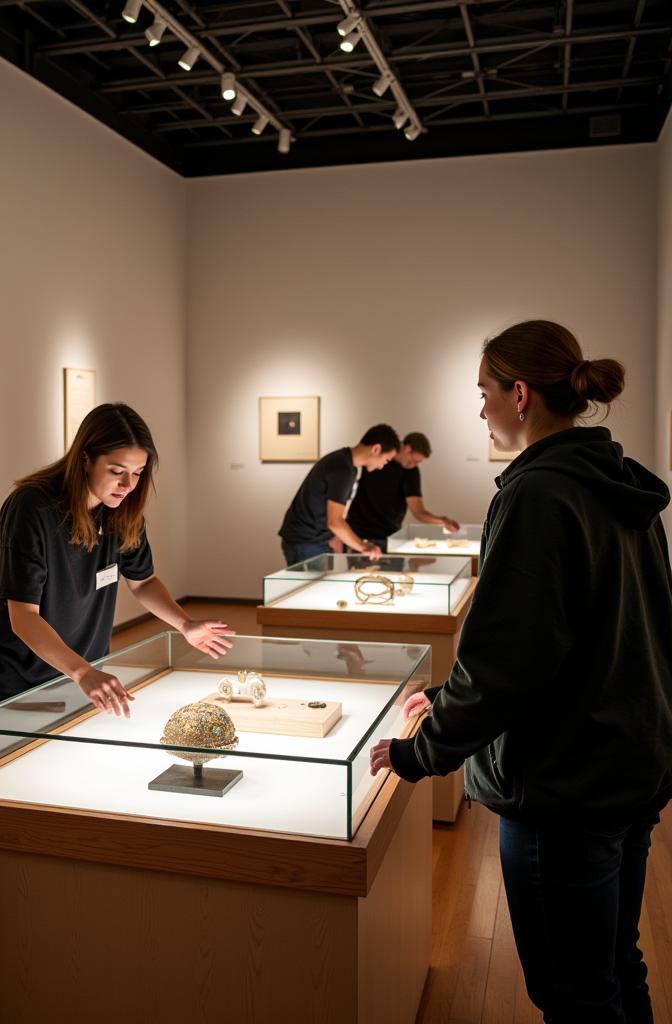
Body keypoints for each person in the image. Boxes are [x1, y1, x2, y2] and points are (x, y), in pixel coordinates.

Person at [370, 320, 672, 1023]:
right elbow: (584, 639)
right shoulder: (626, 486)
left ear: (520, 393)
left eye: (484, 394)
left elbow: (508, 661)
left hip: (564, 785)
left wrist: (422, 753)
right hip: (632, 763)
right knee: (616, 965)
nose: (481, 411)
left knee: (572, 992)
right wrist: (449, 695)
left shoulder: (536, 494)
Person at [0, 403, 234, 715]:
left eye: (137, 473)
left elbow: (143, 581)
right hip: (17, 676)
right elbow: (23, 615)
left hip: (81, 670)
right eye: (117, 471)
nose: (128, 485)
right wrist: (82, 672)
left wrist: (185, 624)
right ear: (85, 458)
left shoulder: (122, 510)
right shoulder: (32, 507)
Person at [277, 424, 400, 566]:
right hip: (306, 541)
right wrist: (365, 547)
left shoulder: (347, 465)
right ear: (376, 449)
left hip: (312, 540)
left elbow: (335, 517)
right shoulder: (343, 469)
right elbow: (334, 522)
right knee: (317, 588)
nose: (382, 466)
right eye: (386, 460)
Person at [345, 431, 461, 553]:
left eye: (417, 463)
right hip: (359, 533)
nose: (413, 465)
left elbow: (419, 511)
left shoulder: (411, 472)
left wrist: (443, 521)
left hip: (389, 535)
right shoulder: (374, 460)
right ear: (407, 448)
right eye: (413, 460)